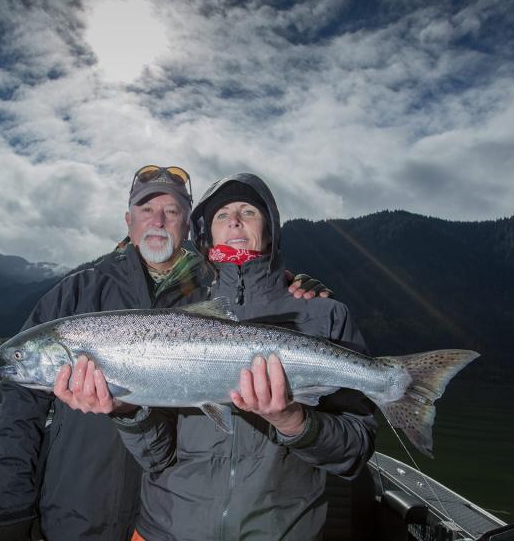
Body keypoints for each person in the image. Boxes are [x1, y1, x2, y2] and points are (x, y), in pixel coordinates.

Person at [0, 166, 329, 541]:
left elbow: (259, 289)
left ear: (188, 225)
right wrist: (11, 509)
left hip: (171, 519)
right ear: (128, 219)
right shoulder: (76, 294)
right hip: (78, 509)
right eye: (146, 208)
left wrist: (297, 286)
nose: (157, 220)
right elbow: (19, 412)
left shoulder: (218, 293)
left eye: (172, 211)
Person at [63, 173, 376, 540]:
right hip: (165, 531)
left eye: (248, 212)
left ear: (271, 229)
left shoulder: (324, 314)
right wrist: (126, 411)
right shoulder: (174, 315)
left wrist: (294, 421)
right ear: (207, 235)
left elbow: (355, 452)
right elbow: (155, 458)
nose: (236, 221)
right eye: (222, 216)